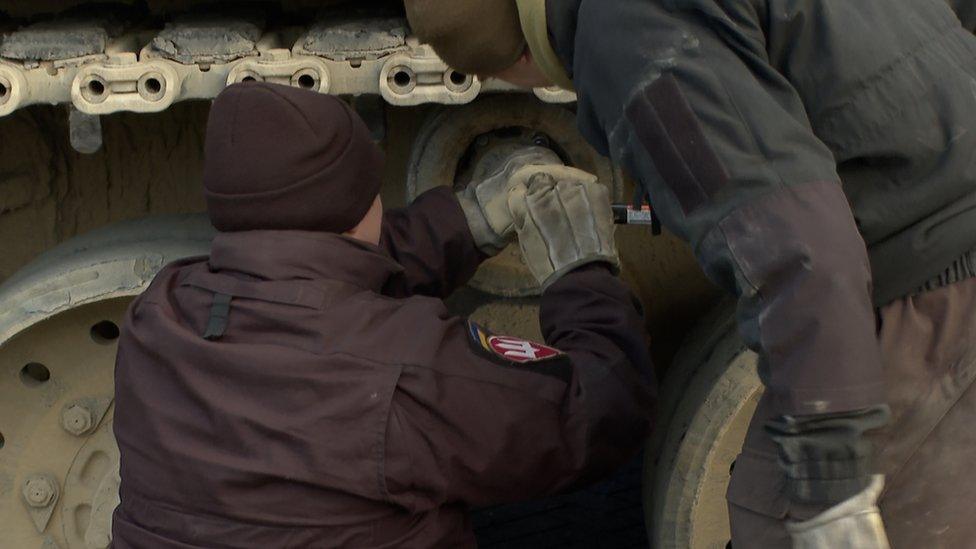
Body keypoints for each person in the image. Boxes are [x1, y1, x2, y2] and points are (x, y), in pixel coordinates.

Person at [403, 0, 976, 547]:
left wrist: (832, 484)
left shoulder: (630, 31)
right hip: (935, 213)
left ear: (524, 60)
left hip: (935, 272)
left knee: (780, 524)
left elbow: (789, 246)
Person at [111, 82, 655, 548]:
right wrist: (581, 269)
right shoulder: (409, 372)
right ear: (358, 203)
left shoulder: (159, 312)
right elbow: (603, 412)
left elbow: (314, 278)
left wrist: (467, 221)